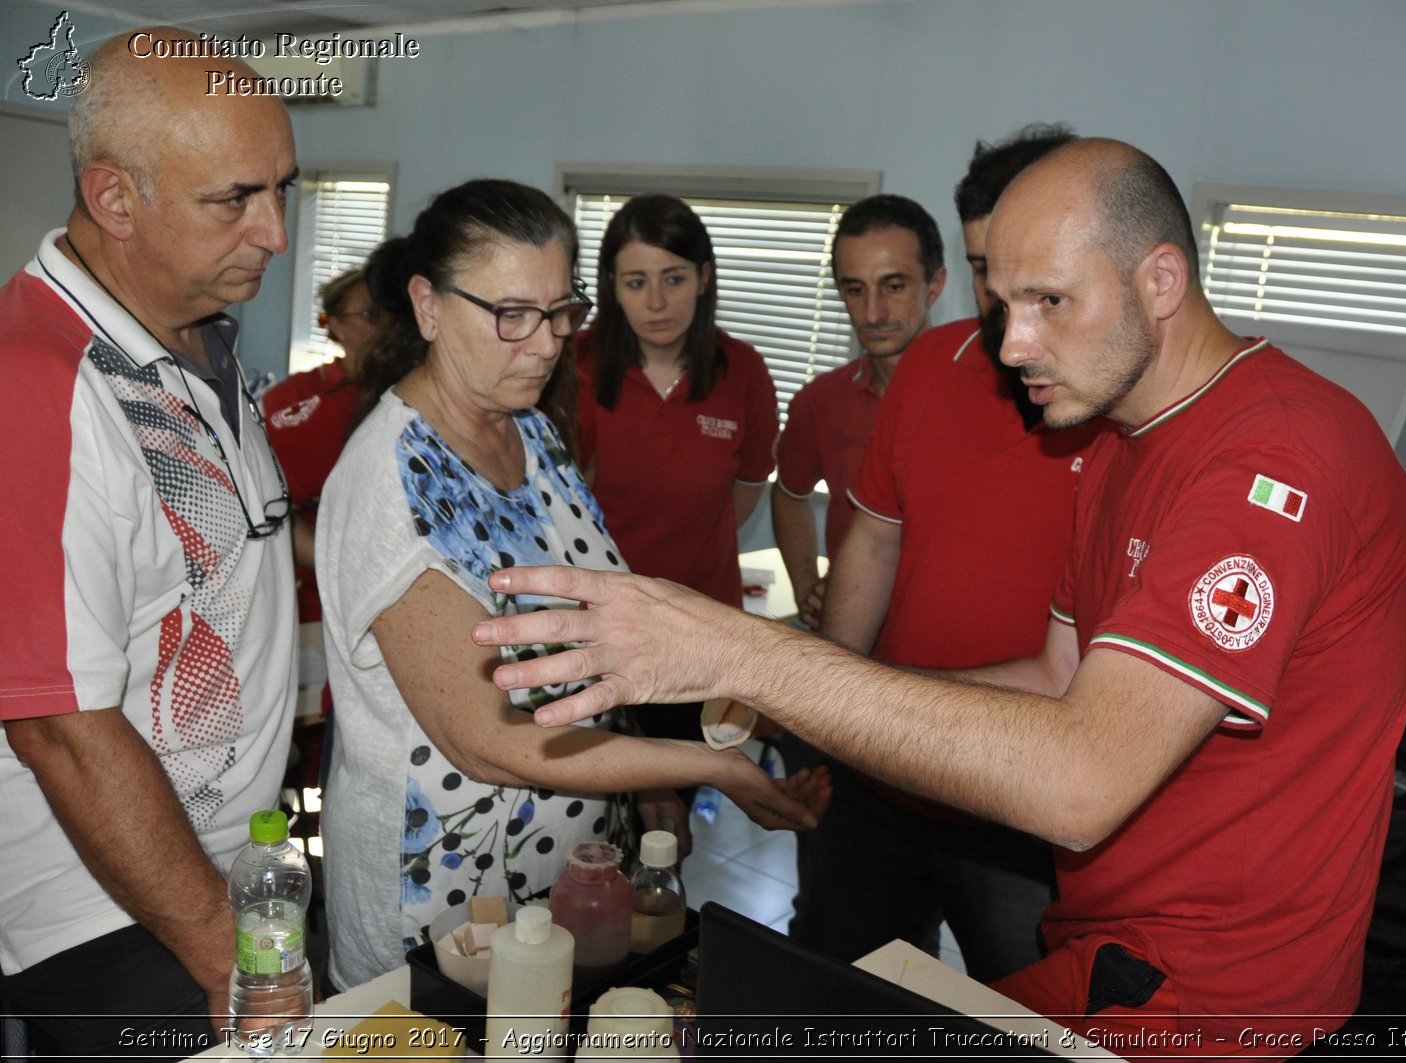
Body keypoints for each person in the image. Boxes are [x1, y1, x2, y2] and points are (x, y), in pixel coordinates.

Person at [471, 138, 1406, 1055]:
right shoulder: (1117, 446)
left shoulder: (1273, 458)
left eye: (1051, 300)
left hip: (1222, 994)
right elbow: (1057, 672)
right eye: (1002, 302)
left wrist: (747, 651)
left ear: (1161, 282)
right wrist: (814, 696)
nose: (1015, 344)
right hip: (1112, 948)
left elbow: (1081, 781)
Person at [314, 180, 823, 991]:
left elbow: (593, 625)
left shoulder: (531, 432)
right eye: (513, 314)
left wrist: (650, 783)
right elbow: (490, 738)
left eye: (561, 312)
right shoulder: (391, 481)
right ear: (429, 305)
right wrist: (716, 766)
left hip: (557, 886)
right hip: (445, 907)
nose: (547, 344)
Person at [0, 31, 299, 1057]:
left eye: (283, 190)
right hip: (104, 905)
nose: (277, 231)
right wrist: (228, 956)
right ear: (115, 199)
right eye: (236, 199)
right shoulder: (36, 386)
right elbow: (57, 726)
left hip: (218, 863)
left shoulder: (203, 331)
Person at [790, 126, 1097, 983]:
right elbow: (873, 542)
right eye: (983, 268)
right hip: (882, 779)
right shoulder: (931, 362)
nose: (1002, 299)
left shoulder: (1117, 404)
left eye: (1029, 271)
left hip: (1016, 806)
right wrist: (826, 706)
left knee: (1026, 1015)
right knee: (829, 993)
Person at [574, 194, 779, 739]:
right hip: (592, 623)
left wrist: (691, 544)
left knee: (682, 792)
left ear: (704, 277)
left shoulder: (744, 371)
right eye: (636, 282)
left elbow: (749, 484)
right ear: (612, 288)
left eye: (674, 278)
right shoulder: (575, 366)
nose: (657, 302)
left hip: (700, 625)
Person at [771, 194, 946, 628]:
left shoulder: (991, 398)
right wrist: (806, 585)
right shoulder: (822, 401)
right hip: (853, 645)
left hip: (950, 651)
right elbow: (789, 494)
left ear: (935, 285)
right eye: (855, 289)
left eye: (894, 286)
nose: (872, 312)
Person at [263, 267, 387, 618]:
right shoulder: (294, 400)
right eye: (371, 314)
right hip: (315, 601)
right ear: (334, 324)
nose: (386, 326)